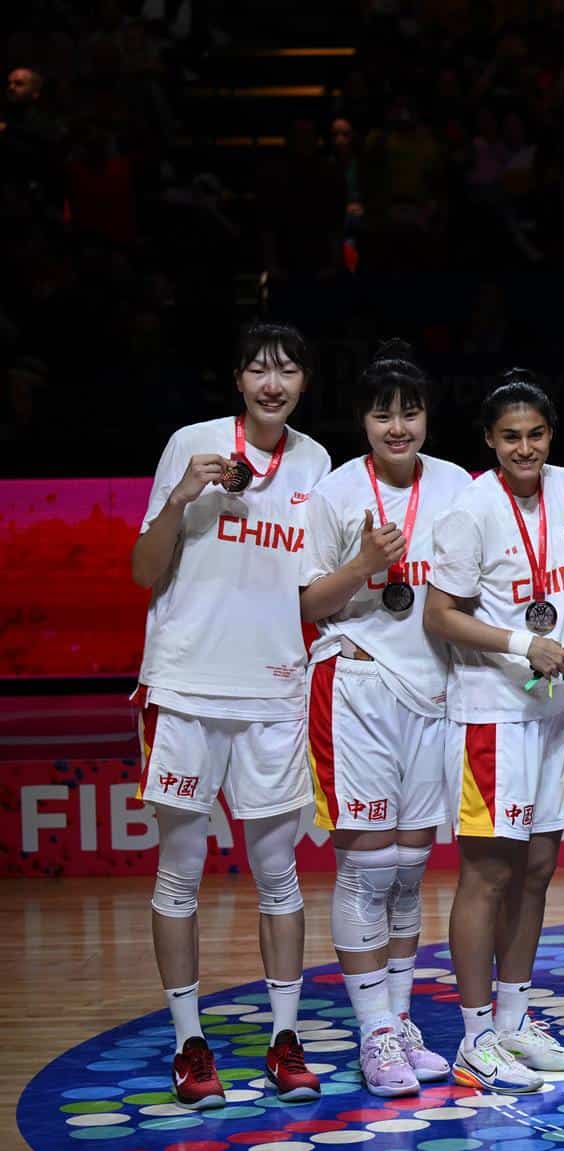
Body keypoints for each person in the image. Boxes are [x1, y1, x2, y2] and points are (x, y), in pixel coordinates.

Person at [132, 323, 332, 1110]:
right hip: (185, 688)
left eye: (287, 369)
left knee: (278, 875)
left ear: (305, 382)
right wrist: (183, 495)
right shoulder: (192, 444)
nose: (272, 382)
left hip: (274, 695)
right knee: (179, 875)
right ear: (239, 379)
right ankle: (190, 1045)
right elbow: (144, 570)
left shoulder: (317, 463)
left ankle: (284, 1042)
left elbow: (311, 590)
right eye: (258, 368)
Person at [296, 342, 466, 1096]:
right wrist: (365, 563)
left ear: (426, 414)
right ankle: (373, 1036)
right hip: (358, 686)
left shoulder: (459, 485)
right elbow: (305, 605)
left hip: (433, 692)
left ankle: (397, 1024)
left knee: (407, 872)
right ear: (362, 419)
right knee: (365, 870)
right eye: (381, 412)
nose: (397, 426)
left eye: (410, 410)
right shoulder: (335, 493)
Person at [424, 371, 564, 1093]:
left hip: (550, 713)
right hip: (492, 713)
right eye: (510, 436)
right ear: (490, 440)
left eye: (536, 434)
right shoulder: (470, 509)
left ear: (550, 436)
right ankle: (474, 1036)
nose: (525, 447)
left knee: (540, 868)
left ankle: (516, 1019)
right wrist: (523, 645)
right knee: (488, 874)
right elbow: (440, 615)